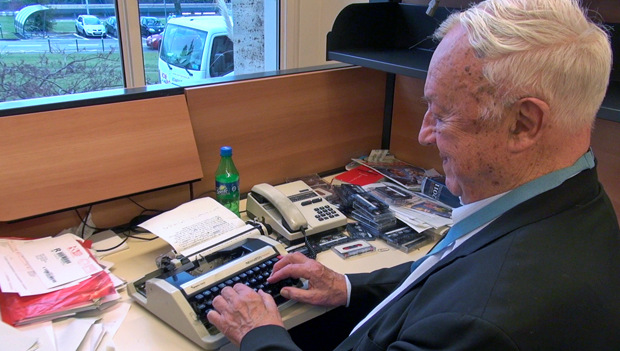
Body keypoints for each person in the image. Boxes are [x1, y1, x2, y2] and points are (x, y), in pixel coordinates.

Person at [207, 0, 620, 349]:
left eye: (442, 114)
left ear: (524, 123)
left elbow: (461, 300)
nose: (423, 134)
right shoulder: (574, 198)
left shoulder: (481, 323)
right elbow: (445, 270)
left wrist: (259, 334)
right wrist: (347, 286)